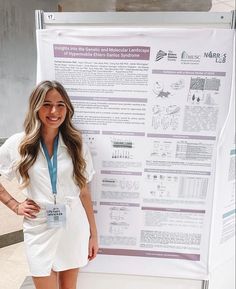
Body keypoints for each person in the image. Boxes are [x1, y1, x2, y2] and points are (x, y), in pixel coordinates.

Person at [0, 80, 98, 289]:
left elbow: (84, 193)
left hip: (73, 223)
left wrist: (93, 234)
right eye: (46, 104)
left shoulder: (76, 144)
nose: (54, 111)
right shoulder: (18, 144)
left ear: (67, 108)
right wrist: (14, 205)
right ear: (36, 106)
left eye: (60, 104)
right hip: (39, 223)